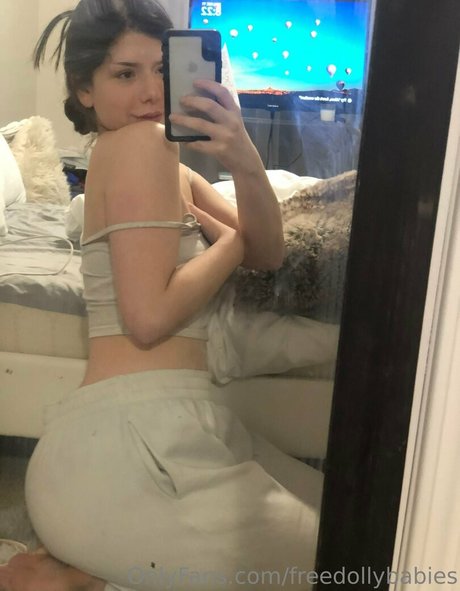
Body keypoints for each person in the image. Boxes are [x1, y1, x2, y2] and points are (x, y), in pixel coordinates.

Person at [0, 1, 323, 589]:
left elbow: (269, 253)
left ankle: (78, 573)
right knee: (361, 552)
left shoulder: (166, 160)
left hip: (153, 436)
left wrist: (243, 156)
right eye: (125, 74)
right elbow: (148, 319)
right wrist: (232, 241)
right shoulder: (141, 145)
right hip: (136, 448)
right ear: (85, 89)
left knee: (359, 526)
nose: (151, 92)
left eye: (161, 71)